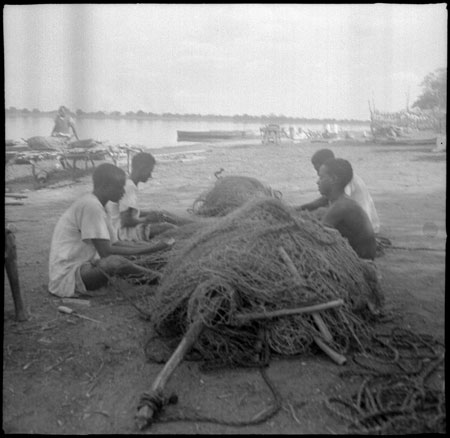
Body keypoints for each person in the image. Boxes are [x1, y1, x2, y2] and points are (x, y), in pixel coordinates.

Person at [48, 163, 174, 297]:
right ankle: (164, 280)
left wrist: (149, 246)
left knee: (135, 253)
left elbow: (115, 243)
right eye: (119, 187)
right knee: (115, 262)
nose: (123, 192)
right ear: (105, 186)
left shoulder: (101, 205)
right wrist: (149, 250)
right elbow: (106, 252)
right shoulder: (91, 206)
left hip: (85, 265)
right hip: (68, 275)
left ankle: (154, 277)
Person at [106, 152, 189, 242]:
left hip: (119, 228)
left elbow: (128, 212)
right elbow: (126, 221)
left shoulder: (128, 183)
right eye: (150, 171)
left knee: (163, 214)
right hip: (124, 234)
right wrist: (147, 219)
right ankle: (192, 226)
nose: (150, 175)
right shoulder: (129, 188)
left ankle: (191, 224)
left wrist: (149, 213)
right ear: (142, 169)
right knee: (169, 227)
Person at [297, 149, 380, 233]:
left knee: (321, 213)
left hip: (369, 227)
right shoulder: (343, 196)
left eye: (321, 176)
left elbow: (320, 233)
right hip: (361, 225)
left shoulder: (341, 203)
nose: (317, 180)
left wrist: (299, 212)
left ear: (333, 177)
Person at [316, 158, 377, 260]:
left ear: (334, 179)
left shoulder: (340, 207)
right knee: (320, 212)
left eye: (321, 177)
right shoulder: (342, 201)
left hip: (359, 261)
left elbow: (317, 237)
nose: (317, 182)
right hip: (363, 255)